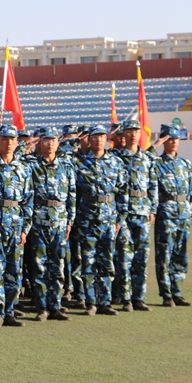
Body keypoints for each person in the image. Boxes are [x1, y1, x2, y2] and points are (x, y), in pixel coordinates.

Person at [73, 125, 128, 316]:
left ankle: (105, 301)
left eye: (102, 136)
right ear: (89, 140)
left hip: (109, 218)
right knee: (88, 261)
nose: (98, 140)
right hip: (87, 218)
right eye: (95, 137)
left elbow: (123, 191)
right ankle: (91, 302)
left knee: (106, 261)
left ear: (107, 139)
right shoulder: (79, 162)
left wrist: (121, 217)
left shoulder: (116, 162)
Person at [0, 125, 33, 328]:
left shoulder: (23, 168)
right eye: (4, 139)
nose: (9, 143)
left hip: (16, 225)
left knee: (15, 271)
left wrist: (25, 228)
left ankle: (10, 311)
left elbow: (28, 200)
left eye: (13, 139)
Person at [26, 127, 75, 321]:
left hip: (60, 220)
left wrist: (70, 221)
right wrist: (27, 144)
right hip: (39, 220)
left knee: (58, 265)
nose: (50, 144)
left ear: (58, 143)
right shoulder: (32, 165)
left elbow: (71, 195)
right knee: (40, 266)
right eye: (46, 140)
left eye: (53, 140)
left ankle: (56, 306)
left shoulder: (66, 166)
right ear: (40, 143)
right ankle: (42, 307)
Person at [112, 120, 158, 312]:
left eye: (136, 131)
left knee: (141, 257)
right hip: (123, 213)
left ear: (140, 134)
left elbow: (153, 185)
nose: (133, 135)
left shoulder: (147, 158)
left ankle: (139, 297)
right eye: (129, 131)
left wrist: (153, 209)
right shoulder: (115, 158)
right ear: (123, 134)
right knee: (123, 257)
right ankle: (125, 298)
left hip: (142, 212)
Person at [152, 124, 192, 307]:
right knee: (164, 255)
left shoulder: (185, 164)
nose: (174, 142)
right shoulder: (157, 164)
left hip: (183, 213)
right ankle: (166, 294)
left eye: (176, 139)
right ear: (163, 141)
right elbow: (153, 190)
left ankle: (177, 292)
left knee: (180, 254)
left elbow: (190, 190)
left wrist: (188, 210)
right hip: (166, 214)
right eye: (170, 139)